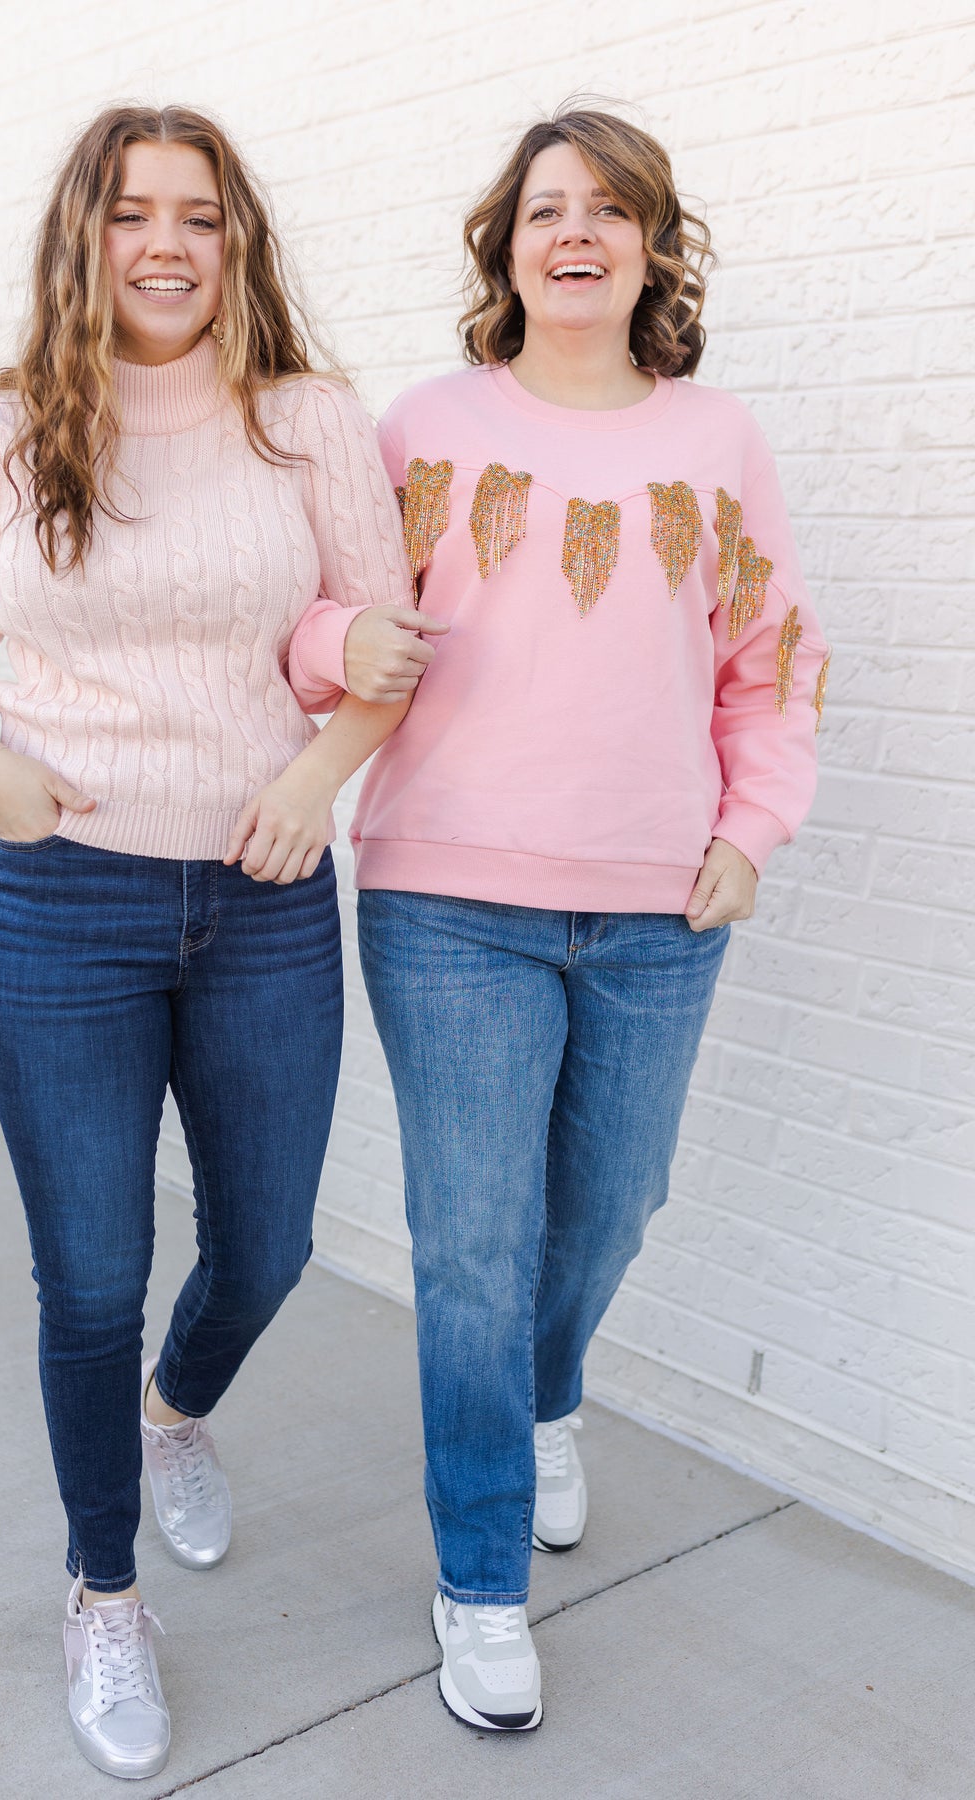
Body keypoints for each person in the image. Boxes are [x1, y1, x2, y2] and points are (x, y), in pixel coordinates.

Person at [287, 105, 829, 1732]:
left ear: (652, 246)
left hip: (662, 908)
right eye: (544, 209)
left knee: (610, 1208)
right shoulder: (425, 425)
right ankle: (480, 1584)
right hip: (450, 902)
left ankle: (546, 1398)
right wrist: (327, 650)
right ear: (506, 248)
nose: (575, 230)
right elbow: (321, 613)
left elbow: (770, 657)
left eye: (607, 208)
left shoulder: (717, 440)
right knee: (473, 1244)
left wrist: (753, 829)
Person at [0, 103, 429, 1780]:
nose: (167, 246)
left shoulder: (308, 420)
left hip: (265, 895)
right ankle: (104, 1588)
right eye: (133, 213)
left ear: (236, 241)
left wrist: (317, 780)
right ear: (86, 236)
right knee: (89, 1276)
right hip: (61, 900)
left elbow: (387, 649)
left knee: (267, 1246)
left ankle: (175, 1412)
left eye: (199, 217)